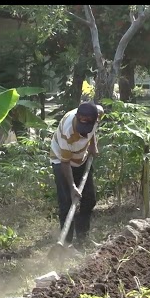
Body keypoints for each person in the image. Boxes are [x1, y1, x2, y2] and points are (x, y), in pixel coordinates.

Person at [49, 101, 101, 252]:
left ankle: (83, 238)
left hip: (81, 158)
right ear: (77, 118)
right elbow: (65, 163)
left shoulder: (98, 114)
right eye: (81, 128)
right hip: (61, 162)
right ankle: (67, 245)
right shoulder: (68, 132)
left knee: (89, 199)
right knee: (67, 203)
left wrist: (92, 144)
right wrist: (72, 187)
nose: (83, 132)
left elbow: (92, 132)